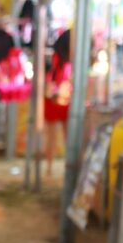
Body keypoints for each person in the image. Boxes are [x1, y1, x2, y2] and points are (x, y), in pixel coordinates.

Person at [44, 32, 72, 175]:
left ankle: (50, 167)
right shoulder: (65, 62)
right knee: (64, 136)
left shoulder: (56, 60)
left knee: (53, 136)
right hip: (59, 101)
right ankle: (56, 167)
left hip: (56, 101)